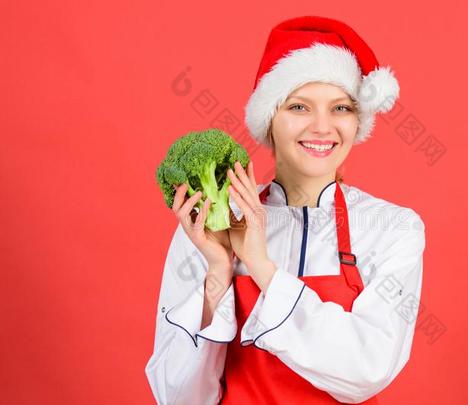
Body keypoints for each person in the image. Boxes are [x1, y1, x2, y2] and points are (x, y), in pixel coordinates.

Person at [145, 15, 426, 404]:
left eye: (341, 108)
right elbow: (178, 398)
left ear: (358, 120)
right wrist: (218, 275)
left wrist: (261, 265)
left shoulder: (392, 228)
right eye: (299, 106)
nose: (323, 127)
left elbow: (367, 370)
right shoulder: (211, 223)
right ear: (269, 119)